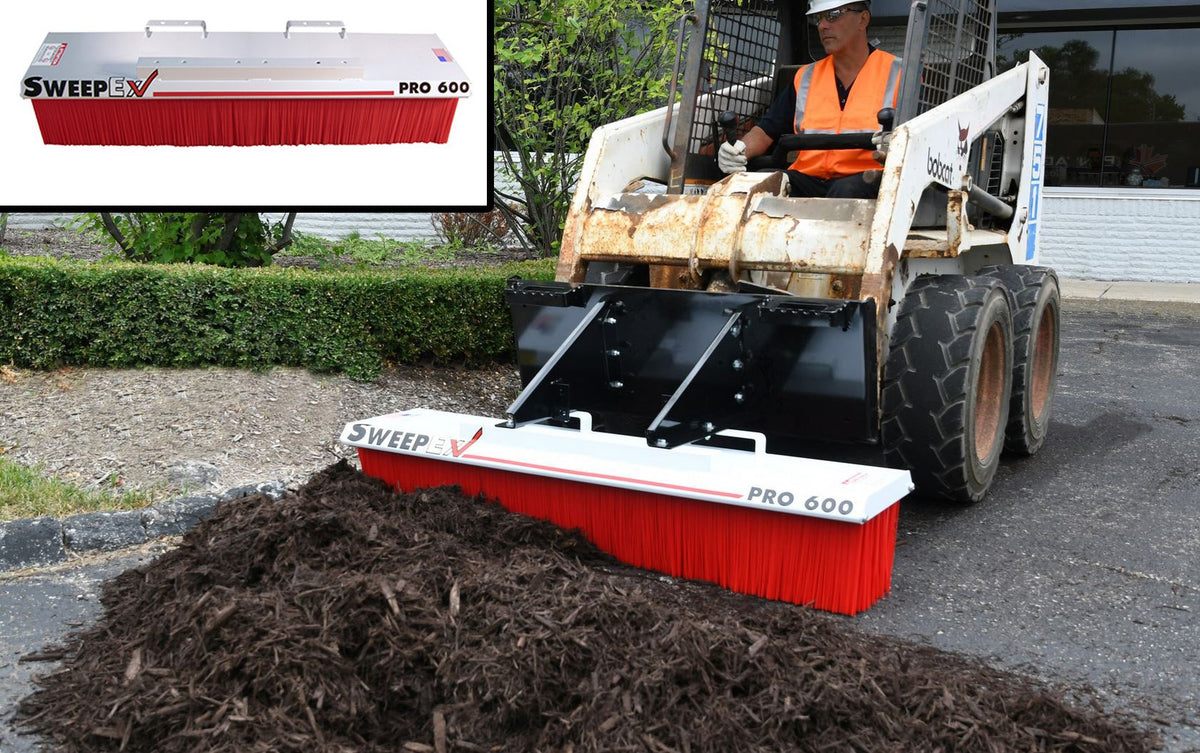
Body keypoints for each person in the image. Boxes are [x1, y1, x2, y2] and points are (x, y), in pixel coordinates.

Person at [717, 0, 901, 199]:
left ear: (863, 19)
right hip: (808, 177)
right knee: (758, 186)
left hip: (869, 178)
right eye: (818, 17)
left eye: (833, 14)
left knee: (845, 191)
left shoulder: (900, 73)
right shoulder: (805, 78)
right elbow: (766, 130)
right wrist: (739, 150)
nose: (822, 25)